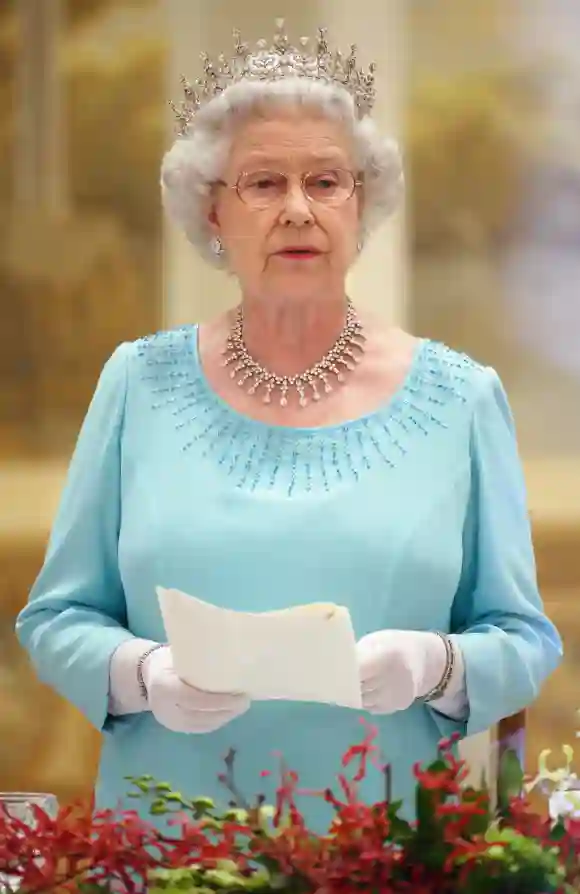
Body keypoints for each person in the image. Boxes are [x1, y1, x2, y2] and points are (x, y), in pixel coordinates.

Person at [16, 20, 562, 828]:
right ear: (212, 213)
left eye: (327, 181)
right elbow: (55, 619)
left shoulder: (461, 397)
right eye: (264, 184)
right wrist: (142, 673)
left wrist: (435, 663)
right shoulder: (136, 382)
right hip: (168, 851)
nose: (298, 210)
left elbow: (523, 640)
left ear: (362, 202)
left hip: (387, 850)